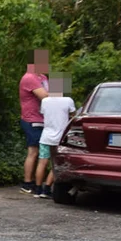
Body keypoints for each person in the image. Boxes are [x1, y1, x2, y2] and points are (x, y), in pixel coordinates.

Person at [34, 75, 76, 199]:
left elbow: (43, 113)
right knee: (55, 164)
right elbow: (73, 116)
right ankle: (47, 189)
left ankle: (37, 189)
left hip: (45, 136)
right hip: (60, 138)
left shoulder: (45, 101)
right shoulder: (68, 100)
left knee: (42, 162)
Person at [18, 51, 50, 194]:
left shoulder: (42, 77)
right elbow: (45, 96)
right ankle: (27, 182)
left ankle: (36, 182)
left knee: (41, 152)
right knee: (34, 151)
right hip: (32, 119)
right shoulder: (30, 78)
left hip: (43, 118)